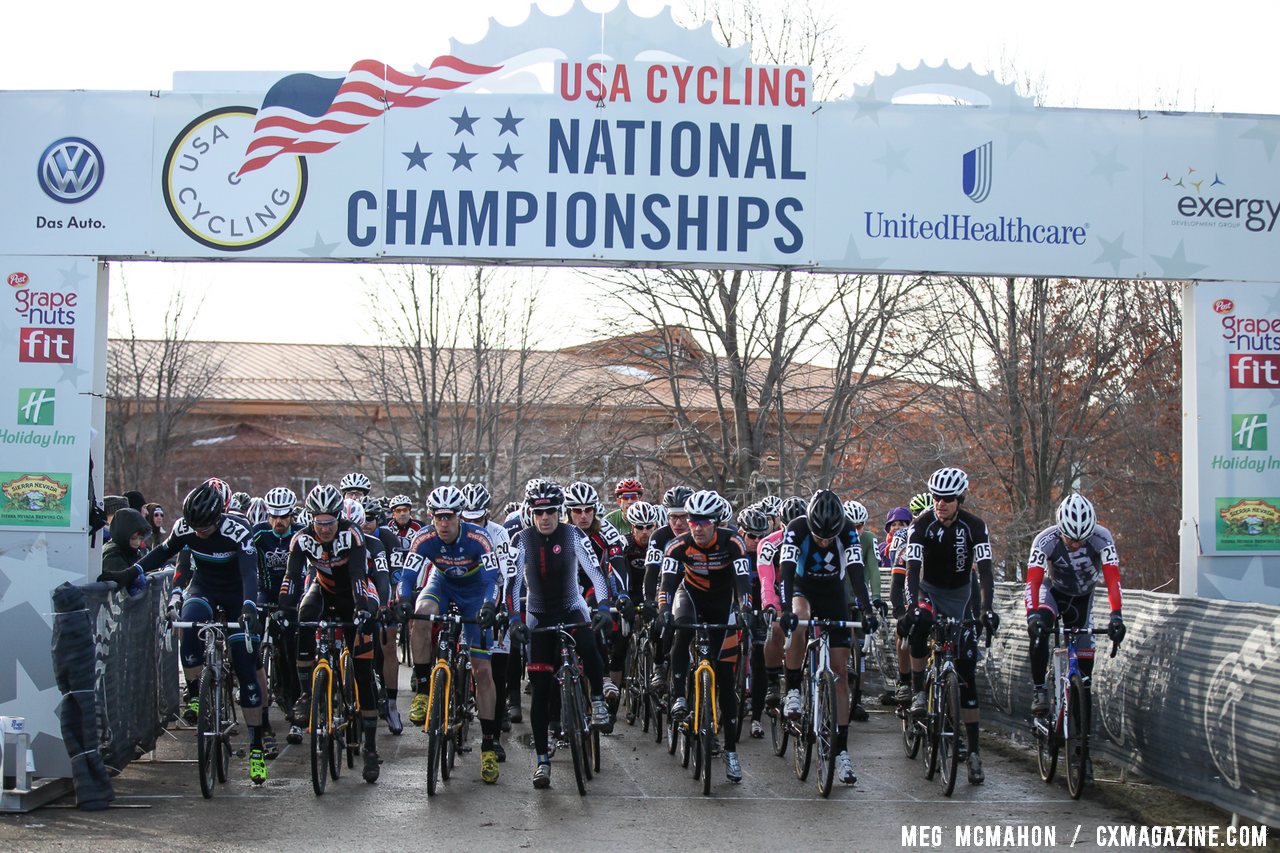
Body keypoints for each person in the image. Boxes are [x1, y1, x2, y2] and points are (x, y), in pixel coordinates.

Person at [134, 481, 267, 784]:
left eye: (204, 527)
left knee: (246, 667)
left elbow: (249, 573)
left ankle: (257, 744)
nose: (198, 532)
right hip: (204, 588)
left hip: (237, 595)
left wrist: (249, 607)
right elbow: (162, 554)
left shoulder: (237, 529)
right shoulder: (185, 527)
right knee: (189, 622)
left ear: (219, 516)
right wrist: (133, 572)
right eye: (194, 526)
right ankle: (197, 695)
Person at [506, 479, 615, 789]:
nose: (545, 518)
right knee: (540, 688)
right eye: (539, 512)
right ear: (531, 512)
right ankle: (542, 760)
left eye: (551, 511)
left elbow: (596, 572)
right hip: (538, 614)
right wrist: (515, 619)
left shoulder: (573, 534)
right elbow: (513, 585)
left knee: (588, 644)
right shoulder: (521, 540)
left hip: (571, 607)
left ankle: (596, 700)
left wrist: (604, 607)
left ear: (560, 512)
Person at [400, 485, 504, 784]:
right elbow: (408, 577)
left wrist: (488, 606)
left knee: (483, 670)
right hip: (442, 584)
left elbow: (492, 581)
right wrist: (404, 601)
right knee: (420, 613)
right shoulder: (424, 538)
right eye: (438, 517)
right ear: (431, 517)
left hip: (475, 592)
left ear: (460, 516)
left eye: (450, 517)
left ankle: (487, 745)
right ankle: (422, 689)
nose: (444, 523)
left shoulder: (477, 538)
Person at [281, 484, 383, 783]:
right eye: (318, 522)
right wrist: (282, 610)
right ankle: (305, 694)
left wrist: (363, 610)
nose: (324, 529)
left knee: (363, 672)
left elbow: (357, 578)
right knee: (301, 615)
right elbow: (291, 577)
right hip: (323, 589)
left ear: (340, 518)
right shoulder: (301, 539)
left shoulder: (352, 535)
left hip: (355, 593)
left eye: (329, 522)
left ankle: (372, 749)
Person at [904, 467, 996, 785]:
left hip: (960, 597)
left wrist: (986, 610)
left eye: (947, 499)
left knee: (967, 672)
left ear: (960, 499)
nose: (940, 503)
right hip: (927, 591)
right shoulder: (920, 525)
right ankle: (918, 691)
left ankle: (973, 753)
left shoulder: (975, 527)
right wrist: (913, 606)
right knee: (920, 624)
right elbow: (912, 569)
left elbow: (984, 572)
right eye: (936, 498)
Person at [779, 489, 874, 786]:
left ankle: (842, 750)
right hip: (802, 589)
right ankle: (793, 688)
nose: (823, 541)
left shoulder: (846, 530)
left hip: (833, 593)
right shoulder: (796, 528)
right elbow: (786, 570)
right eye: (819, 535)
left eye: (828, 536)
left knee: (841, 674)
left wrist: (866, 609)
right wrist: (785, 609)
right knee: (799, 619)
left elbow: (857, 570)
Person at [660, 489, 753, 784]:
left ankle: (730, 750)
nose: (697, 527)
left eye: (703, 522)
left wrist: (745, 608)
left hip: (722, 603)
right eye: (692, 521)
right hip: (691, 597)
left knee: (725, 680)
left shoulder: (733, 542)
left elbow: (742, 582)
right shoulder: (678, 545)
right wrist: (663, 609)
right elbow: (667, 583)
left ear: (716, 523)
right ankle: (677, 697)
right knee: (681, 630)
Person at [1026, 494, 1125, 717]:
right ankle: (1040, 689)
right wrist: (1032, 616)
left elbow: (1113, 580)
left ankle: (1081, 742)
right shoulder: (1045, 540)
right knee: (1039, 629)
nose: (1076, 544)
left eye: (1082, 540)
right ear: (1060, 529)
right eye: (1070, 539)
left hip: (1083, 598)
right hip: (1052, 592)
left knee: (1085, 671)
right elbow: (1032, 581)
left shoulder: (1102, 537)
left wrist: (1116, 615)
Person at [251, 486, 303, 747]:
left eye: (284, 516)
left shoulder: (301, 534)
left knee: (292, 655)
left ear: (292, 515)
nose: (279, 522)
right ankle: (261, 717)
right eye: (274, 516)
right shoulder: (258, 533)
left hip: (293, 599)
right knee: (254, 645)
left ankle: (295, 713)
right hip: (265, 592)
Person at [98, 508, 150, 590]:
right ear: (123, 534)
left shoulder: (131, 551)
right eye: (133, 538)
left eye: (140, 538)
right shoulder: (112, 553)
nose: (137, 542)